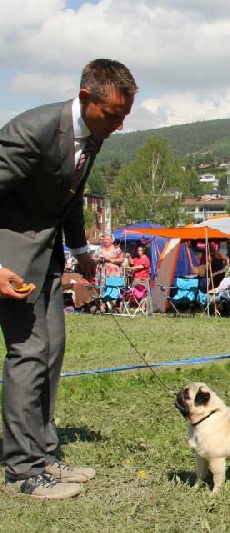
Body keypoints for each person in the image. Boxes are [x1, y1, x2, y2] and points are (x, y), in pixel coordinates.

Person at [0, 59, 137, 499]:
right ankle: (23, 470)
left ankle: (45, 455)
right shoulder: (33, 130)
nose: (118, 125)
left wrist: (80, 252)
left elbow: (69, 197)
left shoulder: (92, 136)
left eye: (124, 116)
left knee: (52, 350)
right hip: (12, 257)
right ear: (85, 98)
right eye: (112, 114)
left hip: (49, 257)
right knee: (28, 353)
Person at [129, 245, 151, 315]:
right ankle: (139, 307)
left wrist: (131, 268)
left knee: (145, 293)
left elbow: (140, 267)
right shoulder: (137, 258)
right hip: (136, 278)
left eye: (140, 250)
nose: (139, 252)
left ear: (143, 251)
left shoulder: (145, 259)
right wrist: (128, 256)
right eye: (138, 250)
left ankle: (145, 308)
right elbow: (131, 262)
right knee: (132, 291)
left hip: (144, 279)